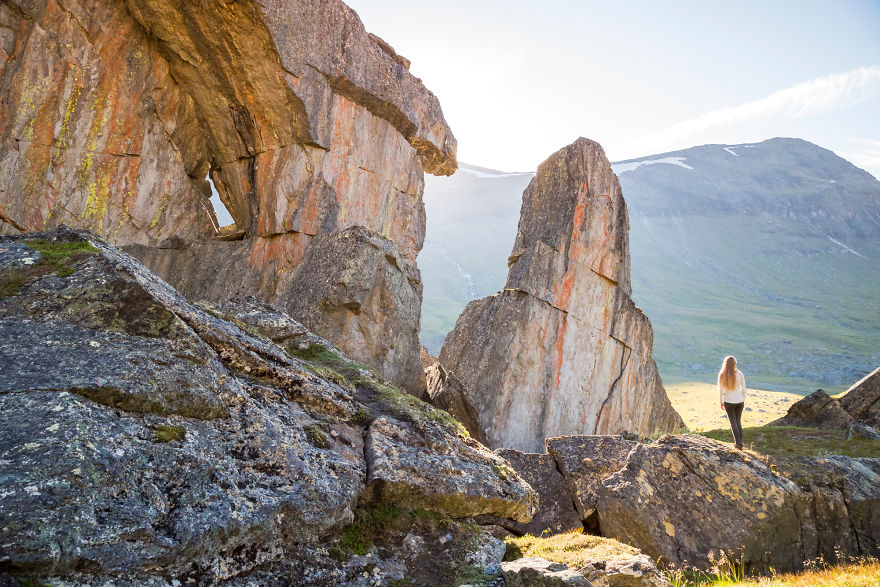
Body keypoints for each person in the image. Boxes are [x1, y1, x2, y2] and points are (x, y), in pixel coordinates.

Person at [718, 355, 746, 449]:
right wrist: (742, 399)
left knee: (733, 423)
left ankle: (738, 444)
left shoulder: (723, 374)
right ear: (735, 363)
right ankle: (740, 443)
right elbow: (743, 389)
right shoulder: (740, 374)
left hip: (729, 401)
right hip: (740, 401)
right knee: (738, 422)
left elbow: (721, 391)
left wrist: (721, 401)